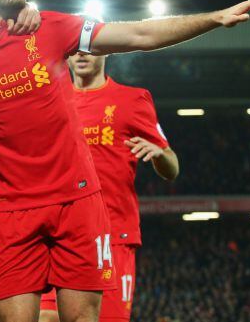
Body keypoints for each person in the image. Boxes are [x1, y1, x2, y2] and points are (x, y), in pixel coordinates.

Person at [0, 0, 250, 322]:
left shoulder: (50, 28)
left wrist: (215, 18)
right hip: (11, 212)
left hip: (79, 204)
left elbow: (139, 34)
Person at [39, 52, 179, 322]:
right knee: (45, 317)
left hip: (112, 233)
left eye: (90, 48)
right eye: (74, 48)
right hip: (60, 234)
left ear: (106, 51)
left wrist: (159, 154)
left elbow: (172, 167)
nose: (81, 54)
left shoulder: (132, 100)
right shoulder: (49, 100)